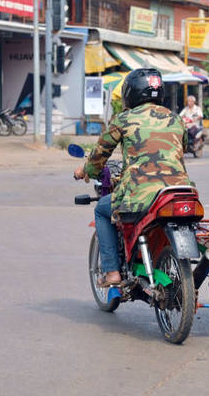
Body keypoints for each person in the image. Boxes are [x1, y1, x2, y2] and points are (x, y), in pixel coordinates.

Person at [74, 68, 193, 286]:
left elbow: (100, 154)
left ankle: (112, 273)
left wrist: (85, 171)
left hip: (141, 195)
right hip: (179, 193)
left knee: (101, 209)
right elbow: (183, 148)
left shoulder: (124, 119)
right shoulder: (176, 119)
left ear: (132, 92)